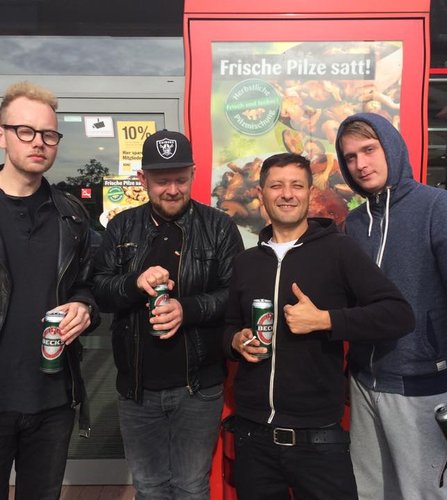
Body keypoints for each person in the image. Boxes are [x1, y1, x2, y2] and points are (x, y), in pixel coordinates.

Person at [223, 152, 415, 500]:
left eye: (296, 186)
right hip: (253, 436)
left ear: (310, 193)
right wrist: (236, 341)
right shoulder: (245, 262)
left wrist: (326, 320)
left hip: (318, 439)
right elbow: (227, 326)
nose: (287, 194)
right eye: (276, 186)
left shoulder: (339, 250)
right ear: (261, 193)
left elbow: (398, 314)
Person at [335, 112, 447, 500]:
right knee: (371, 492)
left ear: (391, 147)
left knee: (426, 493)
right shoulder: (354, 224)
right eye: (350, 157)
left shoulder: (439, 208)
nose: (360, 164)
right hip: (364, 383)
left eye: (369, 150)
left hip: (421, 386)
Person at [92, 129, 244, 499]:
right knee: (149, 487)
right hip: (137, 389)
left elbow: (235, 296)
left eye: (180, 179)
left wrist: (185, 310)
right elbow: (100, 291)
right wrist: (134, 282)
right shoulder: (121, 226)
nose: (172, 190)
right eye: (162, 181)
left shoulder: (219, 226)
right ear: (143, 178)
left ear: (193, 174)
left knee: (191, 487)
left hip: (199, 388)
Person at [0, 81, 100, 500]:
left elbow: (88, 284)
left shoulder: (71, 214)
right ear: (2, 135)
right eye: (25, 131)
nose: (38, 142)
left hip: (53, 399)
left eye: (48, 134)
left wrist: (84, 306)